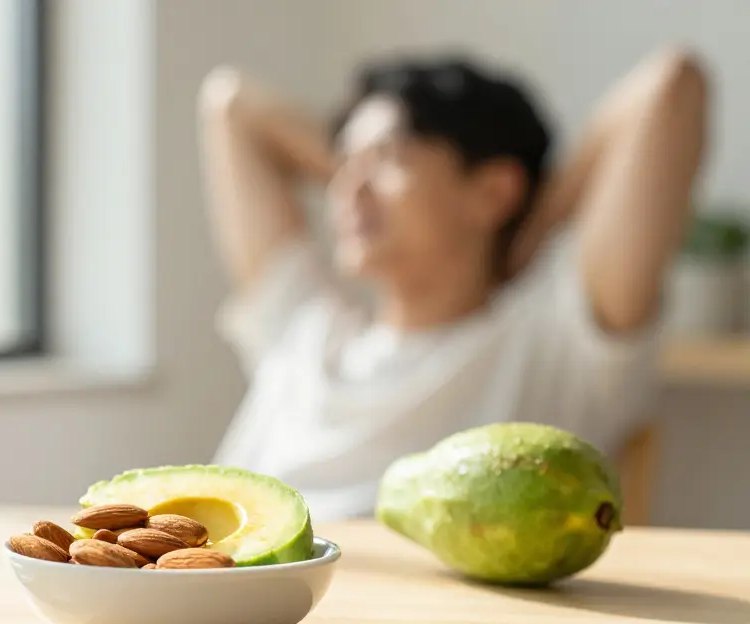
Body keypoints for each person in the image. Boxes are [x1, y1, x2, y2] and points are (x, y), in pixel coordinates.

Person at [199, 48, 709, 521]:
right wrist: (368, 169)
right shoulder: (304, 327)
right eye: (342, 164)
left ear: (492, 191)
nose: (346, 189)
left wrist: (531, 228)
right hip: (230, 596)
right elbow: (230, 104)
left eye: (387, 159)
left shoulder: (552, 342)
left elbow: (672, 84)